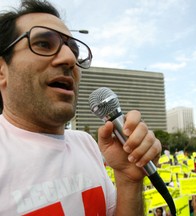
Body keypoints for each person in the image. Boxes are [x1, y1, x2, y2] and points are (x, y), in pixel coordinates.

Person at [0, 0, 161, 215]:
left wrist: (128, 180)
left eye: (73, 51)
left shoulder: (86, 144)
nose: (69, 59)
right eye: (43, 44)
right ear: (2, 70)